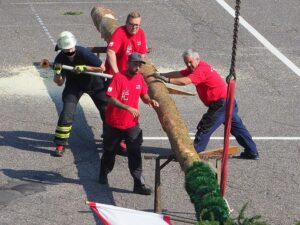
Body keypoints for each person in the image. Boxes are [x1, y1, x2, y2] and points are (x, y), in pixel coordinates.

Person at [155, 49, 259, 160]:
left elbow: (185, 81)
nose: (189, 65)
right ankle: (252, 151)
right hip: (229, 102)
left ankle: (194, 152)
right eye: (186, 63)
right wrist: (161, 75)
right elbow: (180, 73)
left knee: (205, 127)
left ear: (197, 59)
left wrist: (167, 80)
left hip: (220, 104)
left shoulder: (201, 70)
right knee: (237, 128)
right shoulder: (197, 67)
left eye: (190, 62)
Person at [99, 52, 159, 195]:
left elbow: (143, 94)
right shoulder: (118, 78)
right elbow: (111, 99)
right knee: (109, 151)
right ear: (128, 63)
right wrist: (127, 107)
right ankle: (104, 173)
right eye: (135, 64)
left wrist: (149, 100)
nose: (137, 67)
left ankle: (138, 183)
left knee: (135, 152)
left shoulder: (139, 79)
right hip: (113, 123)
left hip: (131, 124)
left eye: (139, 65)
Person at [52, 31, 107, 157]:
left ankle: (111, 140)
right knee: (67, 113)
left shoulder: (84, 53)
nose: (70, 53)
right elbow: (59, 83)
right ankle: (60, 143)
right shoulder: (59, 59)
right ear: (62, 49)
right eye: (67, 51)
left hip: (94, 83)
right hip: (74, 86)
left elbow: (102, 68)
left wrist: (85, 68)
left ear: (74, 46)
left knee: (107, 111)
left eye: (71, 49)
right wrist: (57, 73)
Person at [105, 11, 148, 75]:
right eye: (131, 24)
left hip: (130, 74)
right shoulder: (120, 32)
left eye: (137, 25)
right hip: (116, 74)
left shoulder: (141, 33)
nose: (134, 28)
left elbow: (141, 55)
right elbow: (110, 52)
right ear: (126, 23)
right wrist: (117, 74)